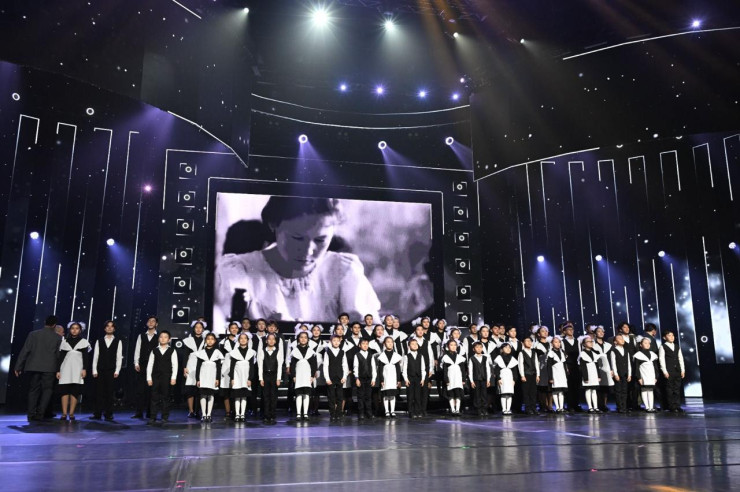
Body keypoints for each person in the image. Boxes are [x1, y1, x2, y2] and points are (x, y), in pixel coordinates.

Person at [214, 197, 381, 323]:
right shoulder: (239, 270)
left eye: (320, 240)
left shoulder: (343, 271)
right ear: (273, 224)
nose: (308, 251)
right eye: (297, 238)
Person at [14, 315, 62, 422]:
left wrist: (18, 366)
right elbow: (58, 355)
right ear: (54, 325)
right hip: (50, 368)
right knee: (47, 390)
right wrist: (59, 369)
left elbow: (25, 350)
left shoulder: (33, 334)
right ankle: (40, 414)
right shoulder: (58, 338)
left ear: (45, 322)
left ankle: (31, 414)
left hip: (34, 366)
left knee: (33, 390)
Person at [56, 321, 90, 421]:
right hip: (65, 368)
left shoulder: (84, 342)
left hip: (77, 369)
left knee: (75, 391)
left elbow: (86, 357)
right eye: (72, 328)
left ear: (80, 330)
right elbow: (60, 358)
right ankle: (64, 413)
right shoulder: (64, 341)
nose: (74, 330)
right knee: (64, 391)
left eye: (77, 328)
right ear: (70, 330)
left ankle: (71, 413)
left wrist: (84, 369)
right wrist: (58, 370)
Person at [90, 320, 123, 421]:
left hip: (111, 370)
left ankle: (109, 414)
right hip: (100, 369)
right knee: (99, 392)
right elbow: (96, 356)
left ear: (114, 329)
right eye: (107, 326)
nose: (109, 328)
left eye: (111, 326)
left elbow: (119, 357)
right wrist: (94, 370)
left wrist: (117, 370)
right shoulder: (99, 341)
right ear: (104, 328)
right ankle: (97, 413)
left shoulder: (118, 341)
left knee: (109, 393)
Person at [146, 331, 178, 425]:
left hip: (167, 377)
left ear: (169, 339)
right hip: (155, 376)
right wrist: (149, 378)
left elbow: (175, 365)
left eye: (165, 337)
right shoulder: (154, 350)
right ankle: (153, 416)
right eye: (161, 337)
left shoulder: (172, 350)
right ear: (158, 338)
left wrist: (173, 377)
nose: (163, 339)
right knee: (154, 397)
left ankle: (164, 416)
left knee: (166, 397)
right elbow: (150, 365)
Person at [132, 316, 159, 419]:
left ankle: (150, 413)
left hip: (154, 366)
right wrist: (136, 363)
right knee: (140, 390)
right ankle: (139, 412)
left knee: (152, 390)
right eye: (149, 321)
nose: (151, 323)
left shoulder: (159, 336)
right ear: (147, 323)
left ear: (156, 324)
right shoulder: (141, 336)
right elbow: (137, 350)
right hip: (142, 365)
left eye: (153, 321)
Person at [195, 333, 224, 423]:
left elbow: (218, 367)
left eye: (212, 339)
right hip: (203, 376)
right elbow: (198, 367)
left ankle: (209, 414)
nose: (210, 341)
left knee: (211, 395)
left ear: (215, 341)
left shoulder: (217, 352)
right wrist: (198, 379)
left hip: (212, 376)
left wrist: (217, 378)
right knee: (203, 394)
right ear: (205, 340)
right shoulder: (201, 352)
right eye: (208, 339)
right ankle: (204, 414)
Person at [290, 331, 318, 421]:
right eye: (301, 337)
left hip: (307, 375)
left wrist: (312, 376)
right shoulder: (295, 351)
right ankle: (298, 413)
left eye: (305, 337)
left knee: (306, 394)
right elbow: (292, 365)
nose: (303, 339)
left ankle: (305, 413)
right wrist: (293, 376)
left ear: (308, 339)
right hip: (298, 375)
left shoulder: (311, 351)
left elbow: (314, 365)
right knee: (298, 394)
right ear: (298, 339)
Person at [182, 321, 207, 419]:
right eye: (196, 327)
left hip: (202, 365)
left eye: (200, 327)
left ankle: (198, 411)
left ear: (203, 329)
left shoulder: (206, 340)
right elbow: (185, 355)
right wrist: (184, 367)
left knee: (200, 389)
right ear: (193, 328)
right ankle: (191, 411)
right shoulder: (189, 340)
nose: (198, 329)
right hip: (191, 365)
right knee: (190, 389)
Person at [229, 332, 256, 422]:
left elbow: (252, 367)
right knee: (237, 395)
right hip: (237, 376)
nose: (243, 340)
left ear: (248, 340)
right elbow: (232, 366)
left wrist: (250, 378)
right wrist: (232, 378)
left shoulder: (251, 352)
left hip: (246, 376)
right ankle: (237, 414)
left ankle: (242, 414)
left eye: (245, 338)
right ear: (238, 340)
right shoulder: (234, 352)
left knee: (244, 396)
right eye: (241, 338)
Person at [258, 333, 283, 424]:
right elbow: (260, 365)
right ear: (266, 341)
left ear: (275, 341)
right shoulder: (262, 351)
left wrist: (278, 378)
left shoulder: (278, 351)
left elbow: (279, 365)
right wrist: (261, 378)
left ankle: (272, 415)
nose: (271, 341)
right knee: (265, 396)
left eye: (273, 339)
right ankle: (266, 415)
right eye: (269, 339)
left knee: (273, 396)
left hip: (274, 375)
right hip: (265, 375)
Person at [323, 334, 349, 422]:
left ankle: (339, 413)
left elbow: (345, 365)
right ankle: (332, 413)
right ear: (331, 342)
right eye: (334, 341)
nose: (336, 342)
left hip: (340, 377)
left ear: (340, 342)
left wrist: (344, 376)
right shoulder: (328, 352)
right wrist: (327, 378)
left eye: (338, 341)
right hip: (331, 377)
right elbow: (325, 365)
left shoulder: (342, 352)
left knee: (340, 396)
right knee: (331, 396)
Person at [376, 336, 403, 418]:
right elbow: (380, 369)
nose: (390, 343)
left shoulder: (396, 356)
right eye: (388, 342)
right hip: (385, 377)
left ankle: (392, 411)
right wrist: (381, 380)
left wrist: (398, 380)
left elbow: (398, 369)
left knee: (392, 395)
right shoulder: (382, 356)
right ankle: (387, 411)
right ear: (384, 344)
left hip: (393, 377)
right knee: (386, 395)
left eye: (391, 342)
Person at [659, 331, 685, 413]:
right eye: (669, 335)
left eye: (672, 335)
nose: (671, 337)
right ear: (664, 337)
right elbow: (661, 359)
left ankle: (677, 405)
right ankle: (671, 406)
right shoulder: (663, 347)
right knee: (669, 389)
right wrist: (664, 371)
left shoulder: (677, 346)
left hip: (677, 370)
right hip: (669, 371)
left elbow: (680, 358)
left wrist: (682, 370)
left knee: (677, 389)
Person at [219, 321, 241, 420]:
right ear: (229, 329)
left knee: (236, 390)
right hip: (226, 367)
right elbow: (220, 356)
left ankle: (237, 411)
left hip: (238, 367)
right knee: (226, 391)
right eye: (232, 328)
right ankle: (228, 412)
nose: (234, 329)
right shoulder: (223, 342)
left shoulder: (241, 340)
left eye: (236, 328)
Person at [440, 339, 466, 416]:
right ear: (448, 346)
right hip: (450, 377)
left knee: (458, 394)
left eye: (455, 345)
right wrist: (446, 379)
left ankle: (457, 409)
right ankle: (453, 409)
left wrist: (463, 379)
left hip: (458, 378)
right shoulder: (445, 357)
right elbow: (445, 370)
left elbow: (463, 370)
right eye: (451, 345)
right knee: (451, 394)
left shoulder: (459, 357)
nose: (453, 347)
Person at [403, 337, 427, 419]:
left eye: (416, 344)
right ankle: (411, 412)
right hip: (410, 378)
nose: (414, 345)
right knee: (410, 396)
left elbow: (423, 368)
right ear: (409, 346)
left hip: (418, 378)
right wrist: (406, 379)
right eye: (412, 344)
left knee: (417, 396)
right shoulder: (407, 356)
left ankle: (418, 411)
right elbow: (404, 369)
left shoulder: (421, 356)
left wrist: (423, 379)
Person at [560, 322, 582, 412]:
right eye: (568, 330)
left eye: (572, 329)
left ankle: (576, 404)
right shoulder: (563, 341)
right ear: (564, 331)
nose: (571, 331)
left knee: (577, 386)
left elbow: (580, 353)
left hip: (576, 365)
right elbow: (563, 354)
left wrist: (579, 364)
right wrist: (566, 366)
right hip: (568, 365)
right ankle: (570, 405)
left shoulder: (577, 341)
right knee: (569, 386)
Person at [634, 337, 659, 413]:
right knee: (644, 390)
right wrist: (639, 377)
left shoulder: (653, 354)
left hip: (651, 375)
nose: (647, 344)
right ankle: (647, 407)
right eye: (645, 343)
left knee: (650, 390)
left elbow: (655, 367)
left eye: (648, 343)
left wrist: (656, 376)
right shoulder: (638, 355)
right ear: (641, 345)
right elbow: (636, 368)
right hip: (643, 374)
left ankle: (651, 407)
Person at [353, 338, 376, 420]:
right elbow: (355, 367)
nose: (365, 345)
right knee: (360, 396)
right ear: (359, 345)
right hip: (361, 379)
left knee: (368, 396)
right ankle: (361, 413)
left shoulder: (370, 355)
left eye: (367, 344)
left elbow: (373, 368)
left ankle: (369, 413)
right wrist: (357, 378)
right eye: (363, 344)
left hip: (369, 378)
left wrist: (373, 379)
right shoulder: (357, 355)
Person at [493, 342, 519, 416]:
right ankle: (504, 409)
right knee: (503, 393)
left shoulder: (512, 358)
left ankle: (508, 409)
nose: (508, 349)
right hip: (502, 377)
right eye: (506, 347)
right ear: (501, 349)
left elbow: (514, 370)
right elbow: (496, 370)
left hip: (510, 377)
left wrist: (514, 379)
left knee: (510, 394)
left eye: (509, 348)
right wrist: (498, 378)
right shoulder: (499, 358)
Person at [609, 334, 632, 413]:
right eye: (619, 339)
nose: (622, 340)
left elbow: (628, 363)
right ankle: (620, 407)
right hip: (618, 373)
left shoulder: (626, 350)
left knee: (625, 391)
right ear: (615, 342)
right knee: (618, 391)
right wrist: (615, 374)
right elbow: (613, 363)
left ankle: (624, 406)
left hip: (625, 373)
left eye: (622, 338)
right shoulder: (614, 350)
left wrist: (629, 374)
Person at [468, 341, 491, 417]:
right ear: (473, 349)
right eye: (477, 347)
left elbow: (488, 369)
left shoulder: (485, 358)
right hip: (476, 379)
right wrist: (471, 381)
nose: (479, 349)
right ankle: (478, 409)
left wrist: (488, 379)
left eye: (480, 347)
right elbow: (470, 370)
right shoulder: (472, 358)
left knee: (484, 394)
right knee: (477, 394)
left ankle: (484, 409)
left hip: (484, 379)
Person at [578, 337, 601, 413]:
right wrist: (585, 377)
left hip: (594, 373)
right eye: (588, 341)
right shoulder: (582, 354)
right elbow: (582, 367)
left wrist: (599, 376)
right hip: (587, 374)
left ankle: (596, 407)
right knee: (588, 390)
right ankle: (590, 407)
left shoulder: (594, 353)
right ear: (584, 344)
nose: (591, 343)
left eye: (591, 341)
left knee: (594, 390)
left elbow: (597, 365)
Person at [518, 337, 539, 415]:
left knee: (533, 392)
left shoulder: (534, 352)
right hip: (526, 374)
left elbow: (536, 364)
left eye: (530, 341)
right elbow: (520, 364)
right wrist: (522, 375)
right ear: (523, 343)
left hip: (533, 374)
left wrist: (538, 375)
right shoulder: (521, 353)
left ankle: (534, 408)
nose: (529, 342)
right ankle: (528, 408)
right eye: (527, 341)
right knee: (526, 392)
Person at [547, 337, 568, 413]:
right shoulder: (550, 353)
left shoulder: (562, 352)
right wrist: (550, 378)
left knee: (561, 391)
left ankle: (561, 407)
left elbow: (564, 364)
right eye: (556, 342)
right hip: (555, 374)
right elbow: (549, 366)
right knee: (555, 391)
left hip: (562, 374)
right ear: (552, 343)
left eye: (559, 342)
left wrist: (566, 375)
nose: (558, 344)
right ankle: (557, 407)